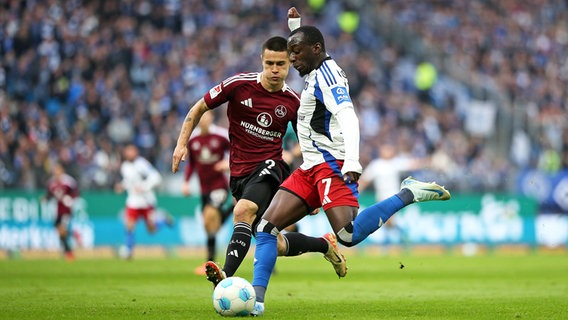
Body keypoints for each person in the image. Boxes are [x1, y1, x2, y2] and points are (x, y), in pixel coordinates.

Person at [249, 23, 451, 316]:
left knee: (347, 235)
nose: (292, 59)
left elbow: (348, 117)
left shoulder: (329, 77)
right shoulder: (316, 67)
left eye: (296, 52)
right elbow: (308, 43)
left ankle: (408, 193)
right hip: (310, 166)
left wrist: (353, 161)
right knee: (266, 228)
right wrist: (296, 28)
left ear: (316, 50)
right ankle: (255, 301)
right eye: (290, 53)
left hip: (331, 164)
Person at [172, 36, 345, 287]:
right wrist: (181, 144)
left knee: (242, 211)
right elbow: (199, 107)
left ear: (290, 64)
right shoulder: (239, 85)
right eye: (270, 63)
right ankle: (324, 245)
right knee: (272, 240)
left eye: (281, 64)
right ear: (262, 61)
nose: (275, 70)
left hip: (271, 168)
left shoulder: (294, 101)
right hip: (240, 176)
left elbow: (308, 148)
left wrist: (314, 188)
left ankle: (225, 275)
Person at [182, 111, 234, 275]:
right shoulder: (194, 139)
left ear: (211, 118)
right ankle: (232, 208)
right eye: (201, 117)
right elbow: (191, 164)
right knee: (209, 225)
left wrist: (227, 163)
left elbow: (236, 150)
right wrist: (186, 182)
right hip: (204, 188)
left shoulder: (220, 136)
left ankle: (209, 262)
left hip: (219, 185)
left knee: (210, 215)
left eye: (207, 117)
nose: (204, 120)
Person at [115, 143, 172, 259]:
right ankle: (128, 250)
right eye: (128, 151)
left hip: (146, 201)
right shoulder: (124, 166)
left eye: (132, 151)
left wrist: (144, 186)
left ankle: (163, 220)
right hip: (133, 201)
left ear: (136, 152)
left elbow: (156, 177)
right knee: (129, 225)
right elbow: (129, 181)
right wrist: (122, 186)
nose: (129, 153)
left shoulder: (142, 164)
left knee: (151, 229)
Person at [44, 162, 80, 261]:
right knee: (59, 231)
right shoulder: (51, 182)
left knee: (62, 230)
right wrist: (45, 199)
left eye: (58, 170)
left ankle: (68, 252)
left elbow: (76, 192)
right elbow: (49, 194)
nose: (56, 172)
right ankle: (73, 236)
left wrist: (71, 199)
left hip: (66, 209)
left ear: (62, 171)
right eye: (55, 170)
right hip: (58, 209)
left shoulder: (68, 181)